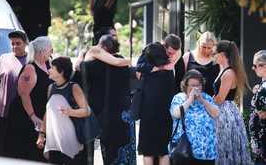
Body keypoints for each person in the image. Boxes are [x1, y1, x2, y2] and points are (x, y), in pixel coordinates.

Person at [82, 34, 135, 165]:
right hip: (122, 113)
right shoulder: (122, 64)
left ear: (102, 46)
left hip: (100, 112)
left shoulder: (91, 61)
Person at [4, 36, 53, 162]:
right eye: (49, 49)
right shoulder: (30, 68)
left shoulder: (47, 64)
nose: (51, 52)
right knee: (25, 154)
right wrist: (33, 117)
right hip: (24, 118)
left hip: (39, 116)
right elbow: (24, 94)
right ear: (42, 51)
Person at [136, 34, 181, 165]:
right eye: (169, 52)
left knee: (164, 149)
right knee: (148, 149)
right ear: (163, 46)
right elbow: (140, 66)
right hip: (149, 105)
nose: (170, 55)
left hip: (166, 107)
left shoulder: (175, 57)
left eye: (174, 53)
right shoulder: (152, 49)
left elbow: (179, 78)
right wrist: (160, 67)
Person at [36, 56, 90, 164]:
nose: (49, 70)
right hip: (53, 142)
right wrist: (41, 135)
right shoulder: (51, 88)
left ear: (61, 72)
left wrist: (70, 112)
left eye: (52, 68)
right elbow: (48, 113)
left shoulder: (74, 87)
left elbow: (87, 111)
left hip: (71, 141)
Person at [213, 40, 253, 165]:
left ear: (222, 54)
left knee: (225, 146)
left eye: (216, 53)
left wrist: (205, 99)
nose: (214, 56)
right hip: (224, 111)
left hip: (225, 113)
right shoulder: (224, 70)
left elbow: (220, 99)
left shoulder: (229, 73)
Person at [170, 70, 219, 165]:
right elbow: (175, 113)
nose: (195, 88)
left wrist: (202, 100)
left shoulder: (206, 97)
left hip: (206, 151)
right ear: (185, 86)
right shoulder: (179, 97)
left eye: (198, 85)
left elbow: (216, 113)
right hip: (185, 151)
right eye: (192, 85)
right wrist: (190, 99)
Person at [0, 30, 28, 155]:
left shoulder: (30, 61)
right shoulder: (3, 59)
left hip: (22, 113)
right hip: (2, 111)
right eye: (12, 43)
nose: (15, 46)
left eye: (18, 43)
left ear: (25, 43)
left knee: (16, 149)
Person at [183, 31, 219, 96]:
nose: (206, 50)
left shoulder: (217, 60)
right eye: (203, 47)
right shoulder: (188, 57)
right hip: (190, 99)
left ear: (213, 47)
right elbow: (181, 80)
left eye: (209, 48)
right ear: (199, 44)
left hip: (210, 101)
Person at [249, 50, 266, 165]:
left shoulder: (264, 89)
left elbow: (263, 114)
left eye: (255, 66)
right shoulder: (262, 86)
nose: (253, 68)